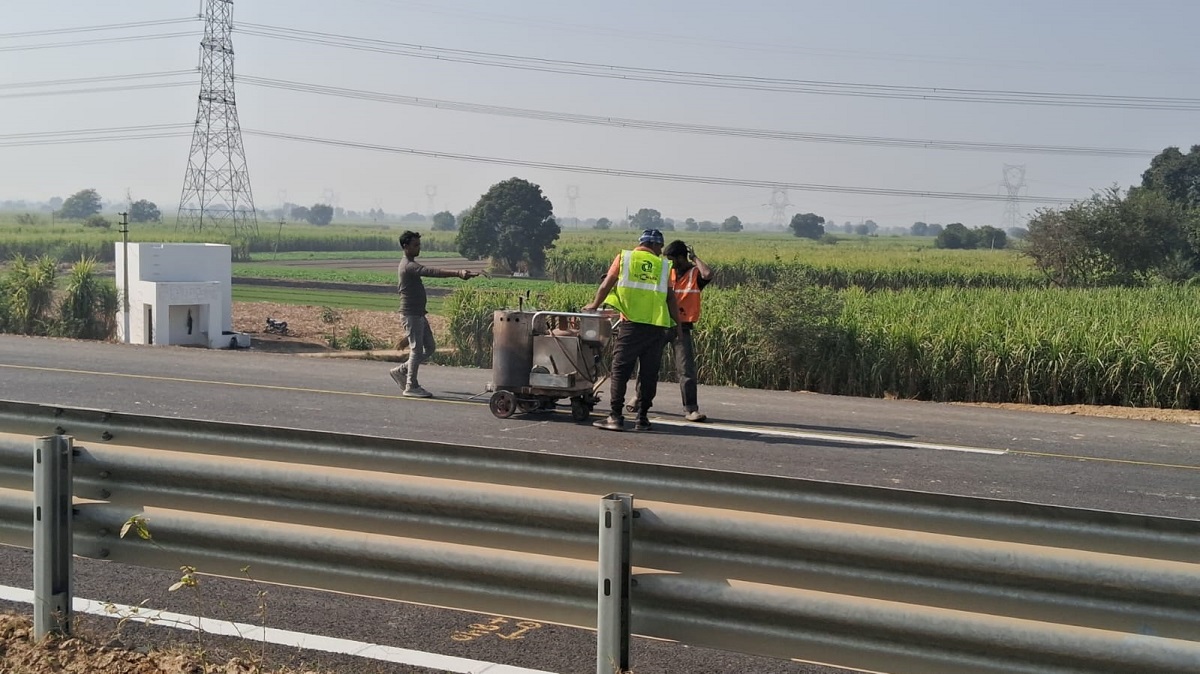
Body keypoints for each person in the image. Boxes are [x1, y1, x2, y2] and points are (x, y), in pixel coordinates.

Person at [583, 229, 682, 431]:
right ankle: (642, 418)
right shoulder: (663, 266)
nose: (660, 251)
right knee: (649, 373)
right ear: (653, 244)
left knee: (620, 370)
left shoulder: (625, 258)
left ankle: (615, 416)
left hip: (631, 325)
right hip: (656, 327)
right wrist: (678, 326)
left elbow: (606, 285)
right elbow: (671, 298)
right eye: (660, 246)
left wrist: (594, 305)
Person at [627, 240, 713, 421]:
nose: (669, 262)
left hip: (682, 327)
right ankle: (639, 398)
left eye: (672, 259)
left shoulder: (694, 274)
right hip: (660, 324)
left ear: (681, 258)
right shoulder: (666, 272)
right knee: (648, 365)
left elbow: (707, 274)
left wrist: (694, 258)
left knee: (686, 370)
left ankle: (691, 409)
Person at [389, 231, 479, 398]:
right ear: (405, 246)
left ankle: (401, 370)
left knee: (430, 347)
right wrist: (458, 273)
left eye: (419, 245)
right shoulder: (408, 266)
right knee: (416, 350)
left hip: (419, 314)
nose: (418, 248)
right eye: (415, 245)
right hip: (411, 314)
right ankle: (411, 386)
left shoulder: (409, 264)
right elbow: (431, 271)